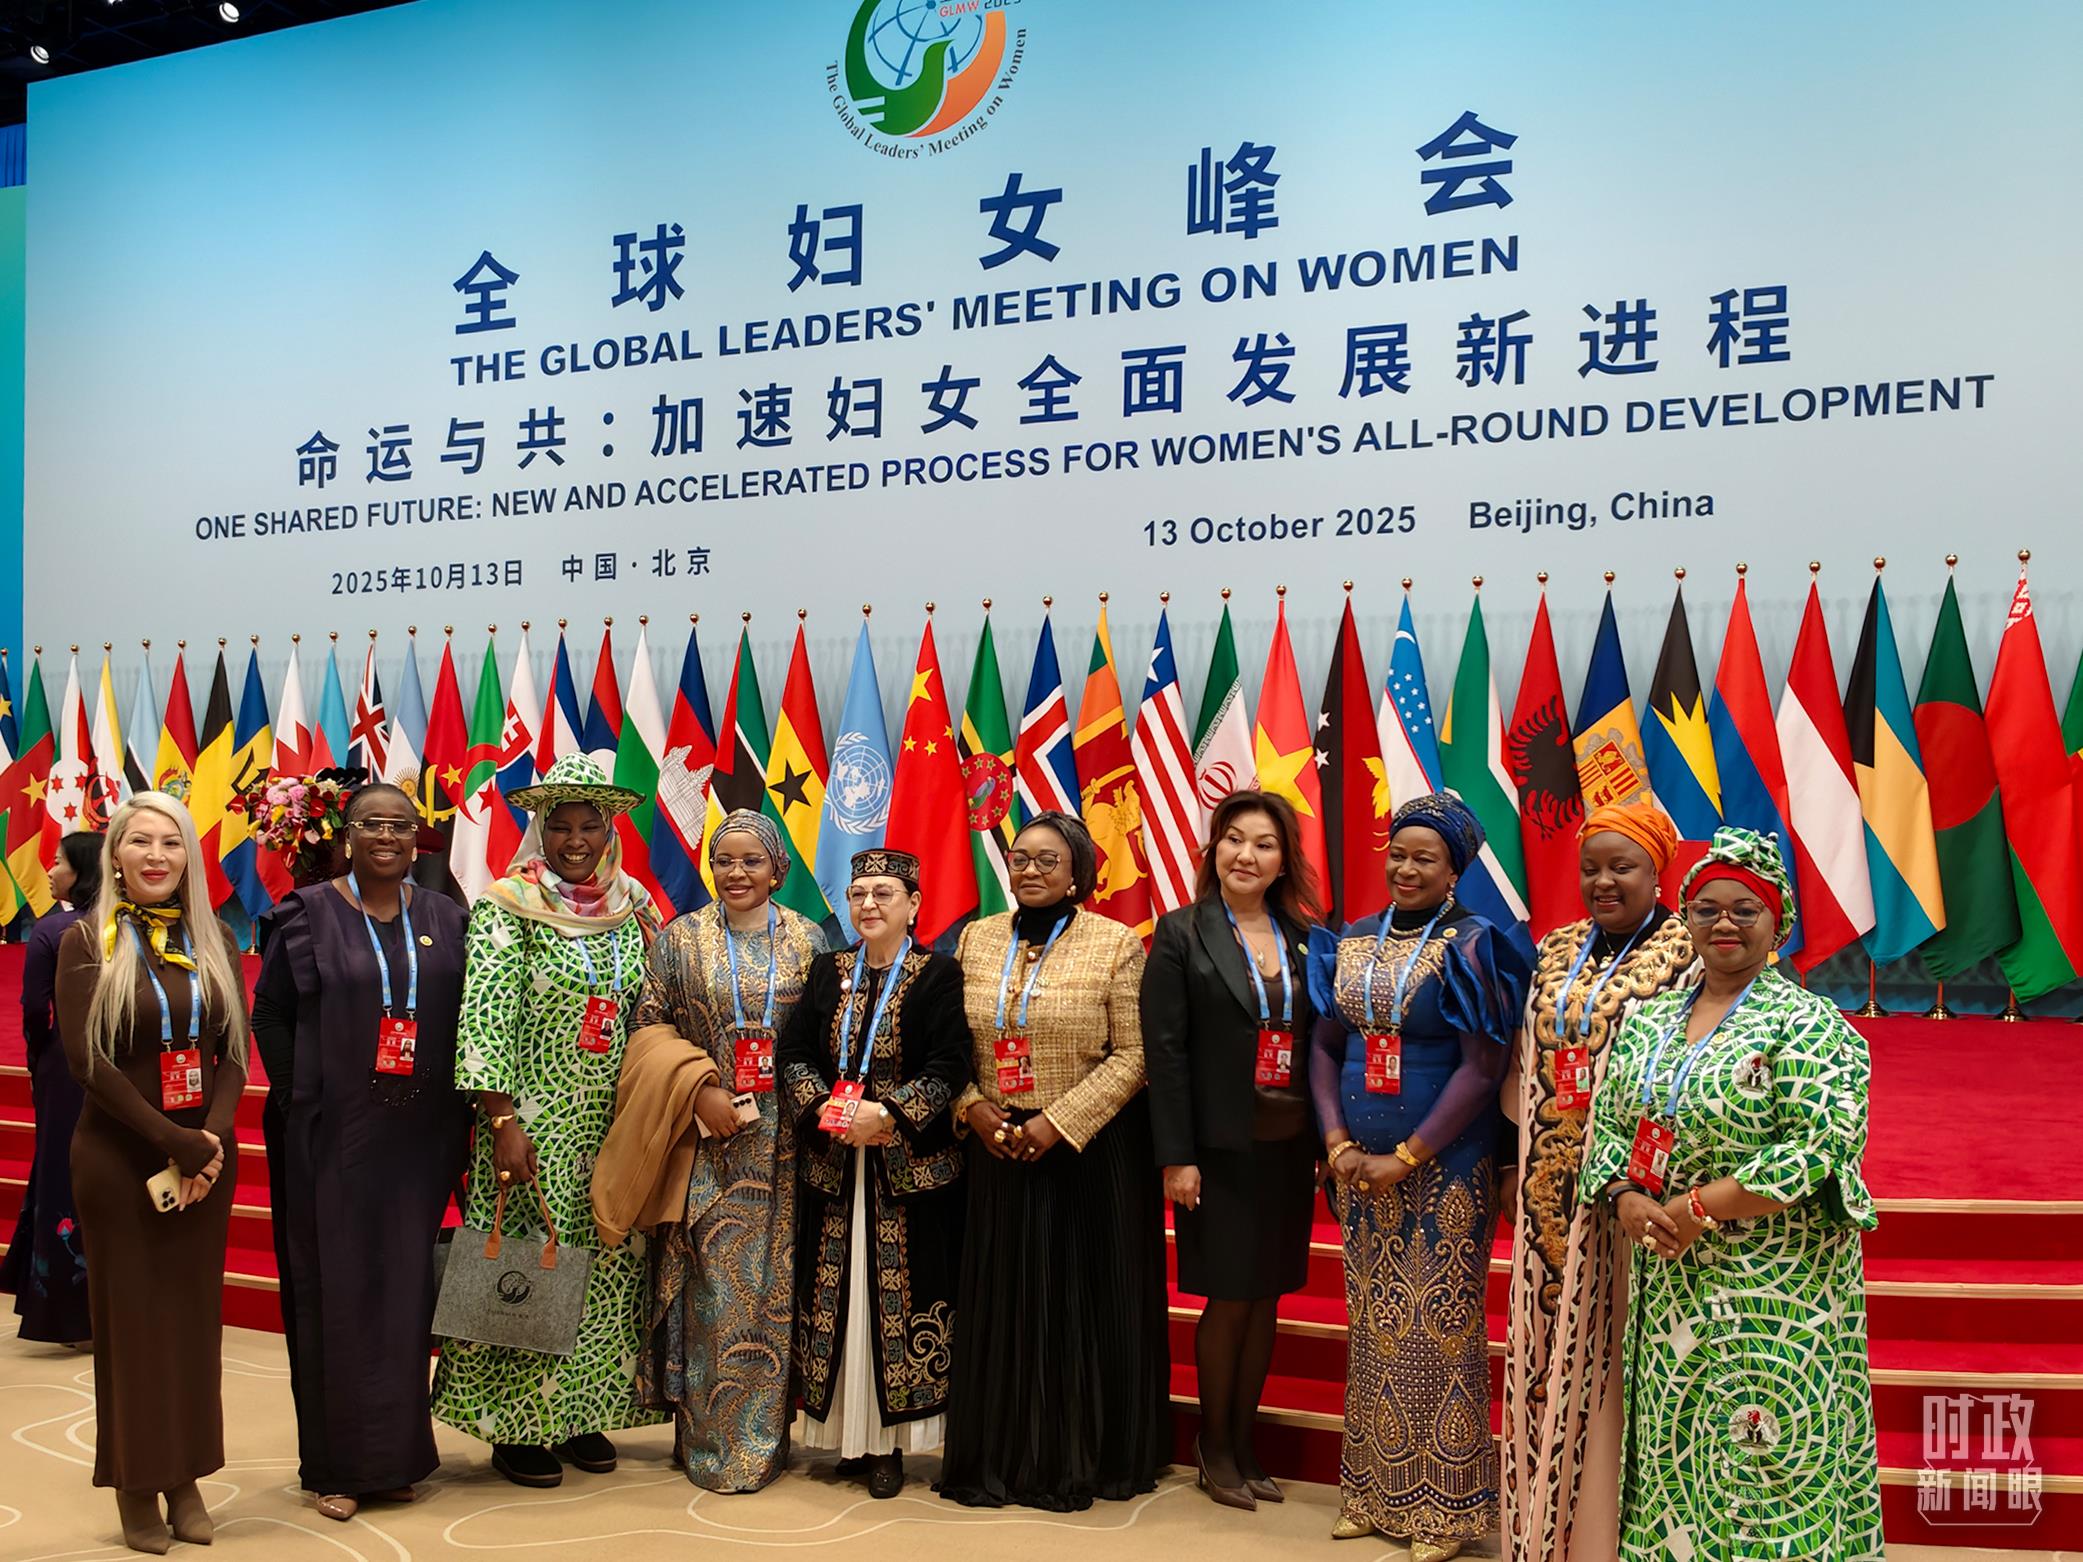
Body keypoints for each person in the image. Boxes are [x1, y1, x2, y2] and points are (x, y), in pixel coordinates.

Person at [1581, 827, 1884, 1561]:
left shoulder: (1809, 1025)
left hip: (1774, 1283)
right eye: (1706, 909)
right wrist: (1623, 1196)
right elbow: (1609, 1124)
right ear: (1684, 917)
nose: (1723, 923)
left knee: (1768, 1460)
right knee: (1676, 1451)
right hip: (1670, 1280)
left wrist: (1697, 1208)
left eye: (1744, 910)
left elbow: (1818, 1147)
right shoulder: (1648, 1019)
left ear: (1777, 923)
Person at [430, 755, 665, 1486]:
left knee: (605, 1262)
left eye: (589, 826)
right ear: (540, 830)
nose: (575, 840)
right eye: (559, 826)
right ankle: (513, 1423)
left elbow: (653, 1008)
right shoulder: (508, 903)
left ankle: (581, 1411)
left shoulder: (635, 906)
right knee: (528, 1261)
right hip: (531, 1119)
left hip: (612, 1120)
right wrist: (501, 1119)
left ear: (610, 830)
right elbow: (486, 1012)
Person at [1308, 794, 1529, 1562]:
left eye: (1424, 858)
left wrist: (1406, 1155)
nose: (1405, 868)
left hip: (1447, 1166)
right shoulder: (1352, 939)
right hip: (1355, 1168)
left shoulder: (1475, 945)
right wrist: (1335, 1140)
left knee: (1438, 1329)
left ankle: (1445, 1511)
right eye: (1397, 853)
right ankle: (1369, 1493)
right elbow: (1324, 1047)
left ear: (1454, 869)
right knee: (1371, 1325)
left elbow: (1482, 1069)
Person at [251, 780, 471, 1522]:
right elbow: (271, 1013)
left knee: (404, 1292)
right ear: (346, 836)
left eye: (400, 825)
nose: (387, 835)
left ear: (416, 839)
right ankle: (336, 1466)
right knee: (334, 1291)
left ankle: (394, 1459)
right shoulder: (306, 914)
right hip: (331, 1136)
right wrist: (301, 1101)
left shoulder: (444, 915)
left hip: (419, 1139)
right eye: (371, 823)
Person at [939, 811, 1170, 1512]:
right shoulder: (976, 938)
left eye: (1047, 860)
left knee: (1072, 1307)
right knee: (1004, 1304)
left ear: (1076, 874)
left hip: (1085, 1152)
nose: (1030, 870)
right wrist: (971, 1106)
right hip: (994, 1145)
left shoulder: (1114, 943)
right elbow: (947, 1045)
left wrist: (1058, 1122)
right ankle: (1000, 1456)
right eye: (1020, 858)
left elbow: (1135, 1054)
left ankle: (1075, 1458)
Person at [598, 809, 824, 1493]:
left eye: (752, 860)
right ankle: (705, 1440)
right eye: (724, 860)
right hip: (704, 1139)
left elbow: (825, 1033)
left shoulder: (808, 938)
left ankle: (762, 1441)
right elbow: (647, 1027)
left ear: (778, 868)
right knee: (711, 1288)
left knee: (773, 1290)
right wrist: (699, 1091)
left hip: (785, 1142)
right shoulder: (681, 938)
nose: (736, 872)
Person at [1501, 802, 1698, 1562]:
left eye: (1623, 867)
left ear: (1657, 873)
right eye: (1591, 868)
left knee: (1618, 1356)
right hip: (1549, 1187)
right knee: (1549, 1350)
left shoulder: (1688, 953)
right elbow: (1524, 1061)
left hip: (1638, 1192)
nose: (1604, 881)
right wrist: (1515, 1157)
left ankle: (1610, 1537)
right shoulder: (1556, 950)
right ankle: (1542, 1529)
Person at [54, 795, 247, 1554]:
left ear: (188, 857)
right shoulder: (85, 941)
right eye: (141, 841)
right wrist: (177, 1141)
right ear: (116, 855)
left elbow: (233, 1052)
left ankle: (186, 1476)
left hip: (204, 1162)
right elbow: (88, 1063)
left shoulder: (215, 936)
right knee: (132, 1327)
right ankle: (136, 1486)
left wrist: (210, 1141)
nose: (157, 855)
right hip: (122, 1158)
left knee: (193, 1324)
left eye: (172, 842)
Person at [1142, 791, 1320, 1511]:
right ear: (1214, 849)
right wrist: (1176, 1155)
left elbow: (1321, 1043)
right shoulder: (1181, 932)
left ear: (1284, 861)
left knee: (1267, 1294)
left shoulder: (1306, 937)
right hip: (1216, 1150)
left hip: (1288, 1146)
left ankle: (1245, 1444)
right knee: (1228, 1296)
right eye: (1234, 839)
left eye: (1264, 844)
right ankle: (1213, 1447)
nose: (1246, 855)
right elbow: (1165, 1052)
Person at [778, 847, 972, 1499]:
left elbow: (952, 1063)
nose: (868, 904)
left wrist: (886, 1113)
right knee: (837, 1303)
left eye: (884, 894)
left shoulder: (938, 974)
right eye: (859, 894)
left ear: (913, 905)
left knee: (895, 1304)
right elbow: (794, 1052)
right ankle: (847, 1437)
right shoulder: (827, 970)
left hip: (907, 1174)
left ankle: (890, 1444)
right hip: (834, 1166)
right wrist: (823, 1108)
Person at [3, 830, 103, 1347]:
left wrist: (41, 1057)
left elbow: (34, 1009)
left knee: (61, 1170)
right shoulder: (124, 925)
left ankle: (63, 1311)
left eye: (59, 861)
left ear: (81, 870)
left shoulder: (53, 930)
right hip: (123, 1061)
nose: (49, 869)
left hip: (64, 1064)